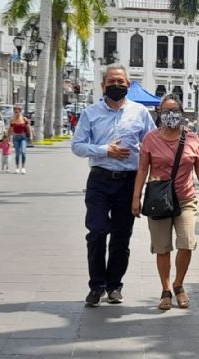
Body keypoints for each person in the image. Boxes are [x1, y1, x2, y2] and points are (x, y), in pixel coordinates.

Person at [71, 65, 156, 307]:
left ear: (128, 85)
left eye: (120, 81)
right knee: (97, 233)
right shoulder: (91, 113)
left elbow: (151, 145)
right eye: (111, 81)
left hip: (128, 182)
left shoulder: (140, 113)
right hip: (99, 179)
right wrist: (104, 149)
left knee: (121, 237)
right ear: (103, 85)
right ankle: (96, 286)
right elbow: (77, 145)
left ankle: (115, 285)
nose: (116, 85)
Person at [131, 94, 199, 310]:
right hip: (158, 200)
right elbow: (142, 169)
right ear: (159, 114)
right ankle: (166, 289)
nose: (170, 115)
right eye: (165, 111)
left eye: (174, 111)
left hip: (185, 198)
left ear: (181, 113)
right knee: (162, 248)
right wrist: (136, 197)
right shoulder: (151, 139)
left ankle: (179, 285)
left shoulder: (192, 138)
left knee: (186, 243)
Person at [8, 105, 31, 174]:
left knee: (23, 152)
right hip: (15, 137)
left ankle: (23, 168)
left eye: (17, 112)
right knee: (17, 154)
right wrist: (7, 137)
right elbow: (10, 129)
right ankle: (17, 168)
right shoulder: (12, 120)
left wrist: (30, 136)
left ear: (20, 111)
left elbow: (28, 128)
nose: (16, 113)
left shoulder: (24, 119)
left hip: (23, 137)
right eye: (15, 112)